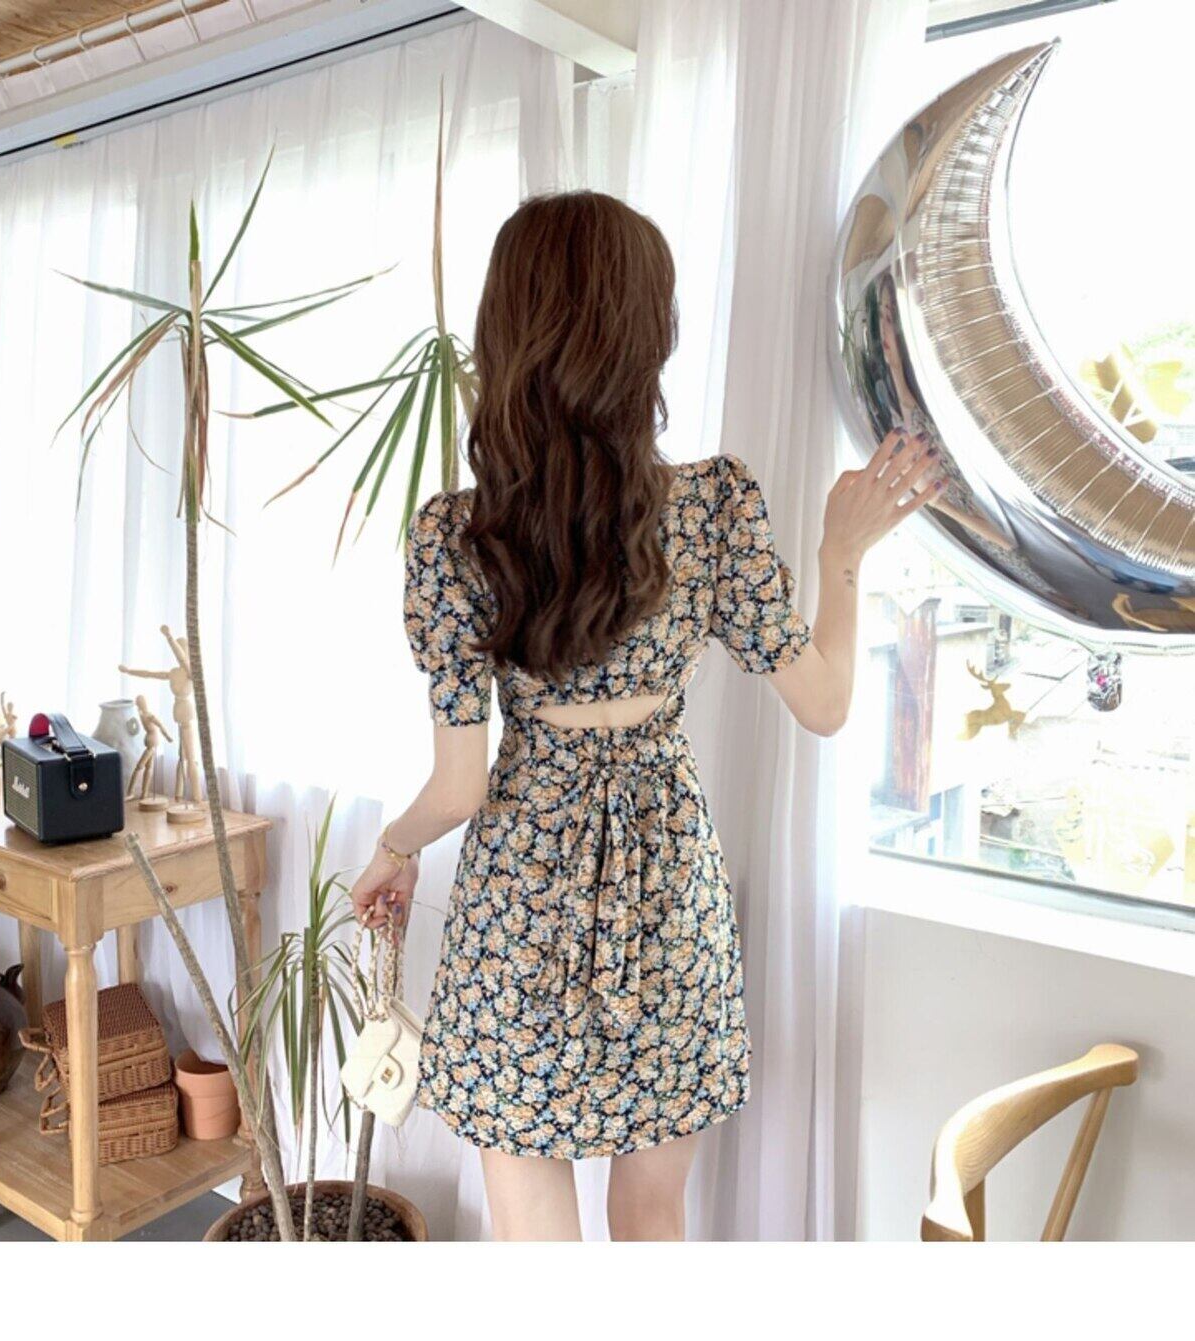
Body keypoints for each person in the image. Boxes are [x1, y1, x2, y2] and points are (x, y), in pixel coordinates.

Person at [350, 192, 943, 1241]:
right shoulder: (713, 506)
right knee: (655, 1211)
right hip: (667, 888)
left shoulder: (455, 536)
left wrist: (395, 849)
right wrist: (841, 556)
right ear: (646, 336)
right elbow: (825, 704)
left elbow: (459, 786)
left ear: (505, 333)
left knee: (532, 1224)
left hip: (520, 902)